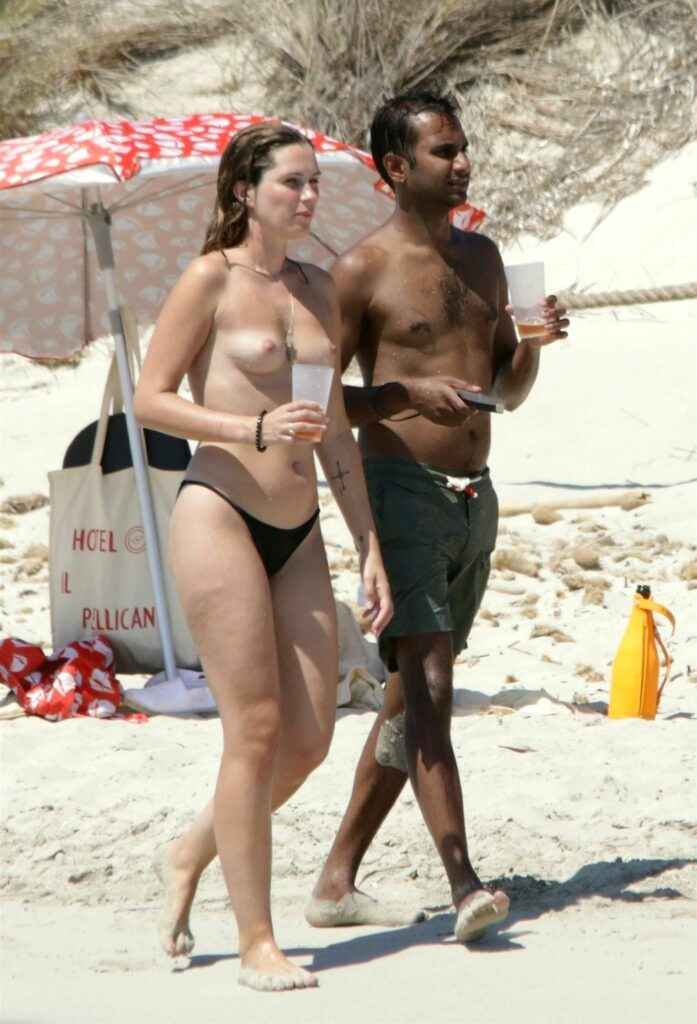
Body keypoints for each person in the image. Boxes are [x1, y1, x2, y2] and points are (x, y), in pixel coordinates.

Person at [304, 90, 569, 942]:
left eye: (461, 148)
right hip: (400, 491)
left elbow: (506, 394)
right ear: (394, 166)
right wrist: (401, 394)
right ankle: (463, 883)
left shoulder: (484, 258)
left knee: (405, 701)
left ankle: (335, 880)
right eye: (442, 152)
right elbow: (315, 403)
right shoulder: (360, 269)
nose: (462, 163)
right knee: (429, 692)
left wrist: (531, 346)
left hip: (472, 497)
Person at [133, 122, 392, 992]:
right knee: (253, 729)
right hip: (221, 513)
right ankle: (256, 942)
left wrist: (368, 544)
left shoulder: (318, 289)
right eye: (291, 182)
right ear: (245, 191)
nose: (308, 196)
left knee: (309, 737)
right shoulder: (210, 278)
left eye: (314, 182)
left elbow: (335, 433)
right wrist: (249, 426)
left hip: (299, 525)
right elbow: (150, 400)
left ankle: (189, 850)